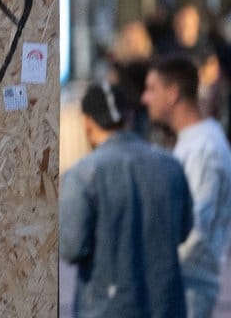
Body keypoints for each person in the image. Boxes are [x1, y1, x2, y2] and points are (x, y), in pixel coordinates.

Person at [60, 82, 192, 318]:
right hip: (165, 307)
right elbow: (183, 231)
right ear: (129, 117)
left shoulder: (83, 175)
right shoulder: (170, 166)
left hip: (105, 309)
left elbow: (71, 248)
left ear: (87, 122)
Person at [142, 55, 231, 318]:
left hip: (188, 289)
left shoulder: (206, 148)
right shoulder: (192, 142)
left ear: (173, 94)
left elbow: (196, 231)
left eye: (152, 89)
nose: (145, 98)